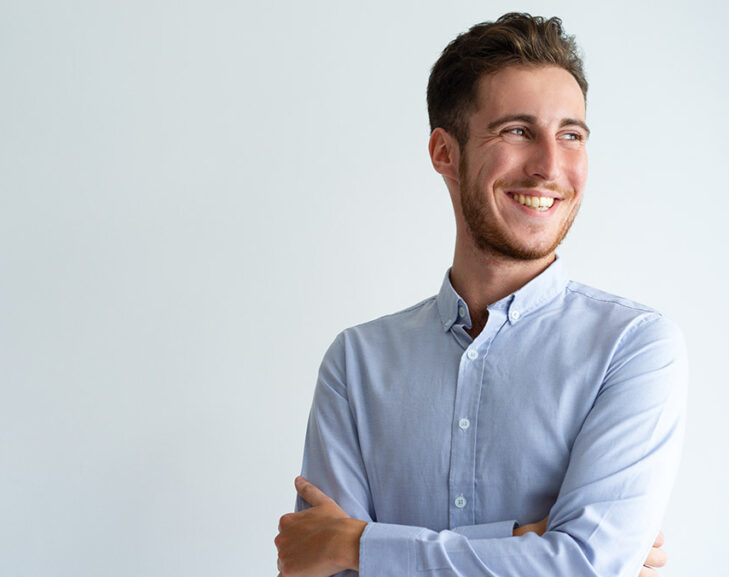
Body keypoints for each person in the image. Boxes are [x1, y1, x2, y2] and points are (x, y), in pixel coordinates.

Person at [273, 12, 687, 577]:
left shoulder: (634, 349)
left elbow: (583, 565)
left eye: (571, 135)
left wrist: (359, 545)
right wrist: (524, 542)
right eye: (517, 131)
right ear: (445, 153)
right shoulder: (356, 364)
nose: (549, 166)